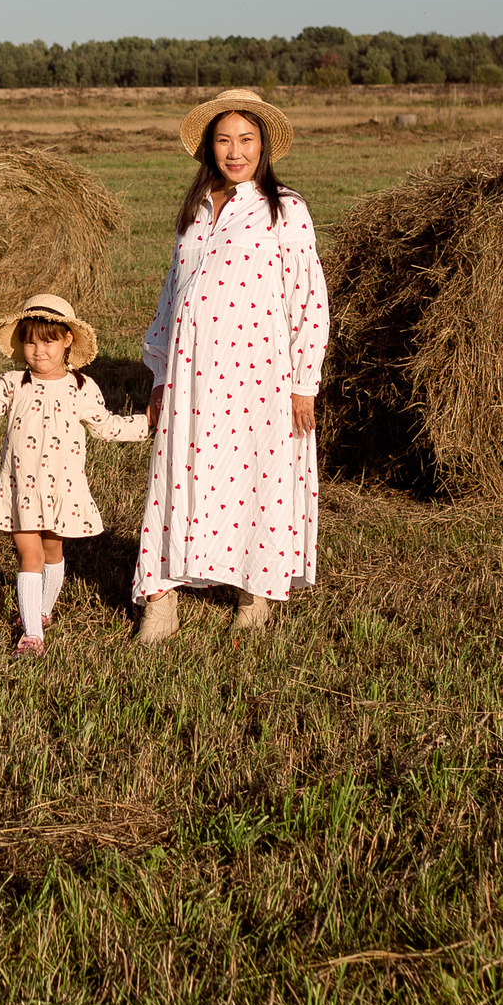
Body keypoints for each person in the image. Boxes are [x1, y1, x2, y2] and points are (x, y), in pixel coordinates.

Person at [134, 89, 329, 643]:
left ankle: (254, 593)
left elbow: (308, 298)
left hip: (259, 377)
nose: (235, 151)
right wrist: (160, 377)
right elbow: (171, 298)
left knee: (256, 477)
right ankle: (160, 601)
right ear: (209, 147)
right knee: (176, 477)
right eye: (224, 140)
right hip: (189, 376)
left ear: (263, 146)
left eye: (246, 139)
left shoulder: (284, 209)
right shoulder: (194, 212)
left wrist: (304, 383)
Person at [0, 294, 149, 657]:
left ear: (68, 340)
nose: (39, 350)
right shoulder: (13, 383)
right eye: (31, 342)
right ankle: (32, 634)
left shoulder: (81, 387)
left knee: (52, 551)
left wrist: (147, 422)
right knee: (28, 555)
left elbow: (107, 426)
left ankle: (43, 611)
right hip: (22, 489)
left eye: (48, 341)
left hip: (62, 488)